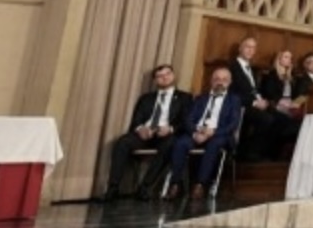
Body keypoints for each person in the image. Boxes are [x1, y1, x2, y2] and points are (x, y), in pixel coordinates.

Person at [97, 64, 192, 201]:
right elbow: (136, 120)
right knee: (122, 142)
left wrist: (170, 129)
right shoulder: (146, 98)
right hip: (146, 134)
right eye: (160, 76)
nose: (164, 78)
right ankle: (113, 188)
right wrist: (140, 128)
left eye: (167, 74)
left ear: (173, 76)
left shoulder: (185, 98)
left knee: (170, 144)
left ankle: (145, 187)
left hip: (166, 134)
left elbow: (185, 121)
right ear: (155, 80)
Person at [165, 67, 241, 200]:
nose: (220, 82)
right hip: (197, 132)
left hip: (219, 134)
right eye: (217, 79)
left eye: (224, 80)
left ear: (229, 82)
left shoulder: (233, 100)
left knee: (213, 145)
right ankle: (175, 184)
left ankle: (200, 185)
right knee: (180, 143)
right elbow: (188, 119)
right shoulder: (201, 98)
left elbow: (232, 124)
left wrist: (212, 132)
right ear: (211, 81)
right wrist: (195, 132)